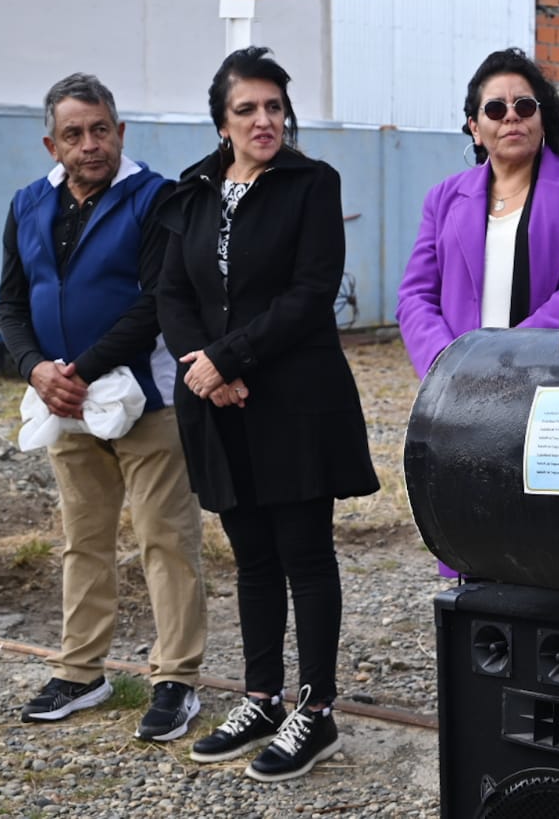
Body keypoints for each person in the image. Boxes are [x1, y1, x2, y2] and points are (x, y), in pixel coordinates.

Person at [156, 46, 378, 783]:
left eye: (274, 106)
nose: (264, 119)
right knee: (252, 557)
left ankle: (314, 712)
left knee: (304, 555)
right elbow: (170, 295)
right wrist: (203, 366)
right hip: (218, 402)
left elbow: (311, 292)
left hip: (294, 399)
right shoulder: (192, 192)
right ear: (222, 119)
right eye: (248, 107)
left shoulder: (312, 185)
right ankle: (260, 696)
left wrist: (232, 358)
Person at [0, 72, 207, 742]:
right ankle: (82, 670)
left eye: (100, 129)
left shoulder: (157, 198)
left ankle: (176, 678)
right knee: (81, 541)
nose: (90, 144)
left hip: (146, 401)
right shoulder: (28, 204)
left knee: (166, 539)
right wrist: (35, 370)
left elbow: (154, 303)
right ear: (50, 143)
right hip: (66, 407)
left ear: (120, 130)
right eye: (73, 134)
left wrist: (75, 371)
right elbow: (10, 301)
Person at [396, 47, 559, 380]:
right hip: (457, 382)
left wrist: (503, 357)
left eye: (525, 106)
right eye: (496, 109)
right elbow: (415, 295)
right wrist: (446, 362)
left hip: (545, 376)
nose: (511, 116)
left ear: (541, 119)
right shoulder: (442, 198)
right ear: (475, 127)